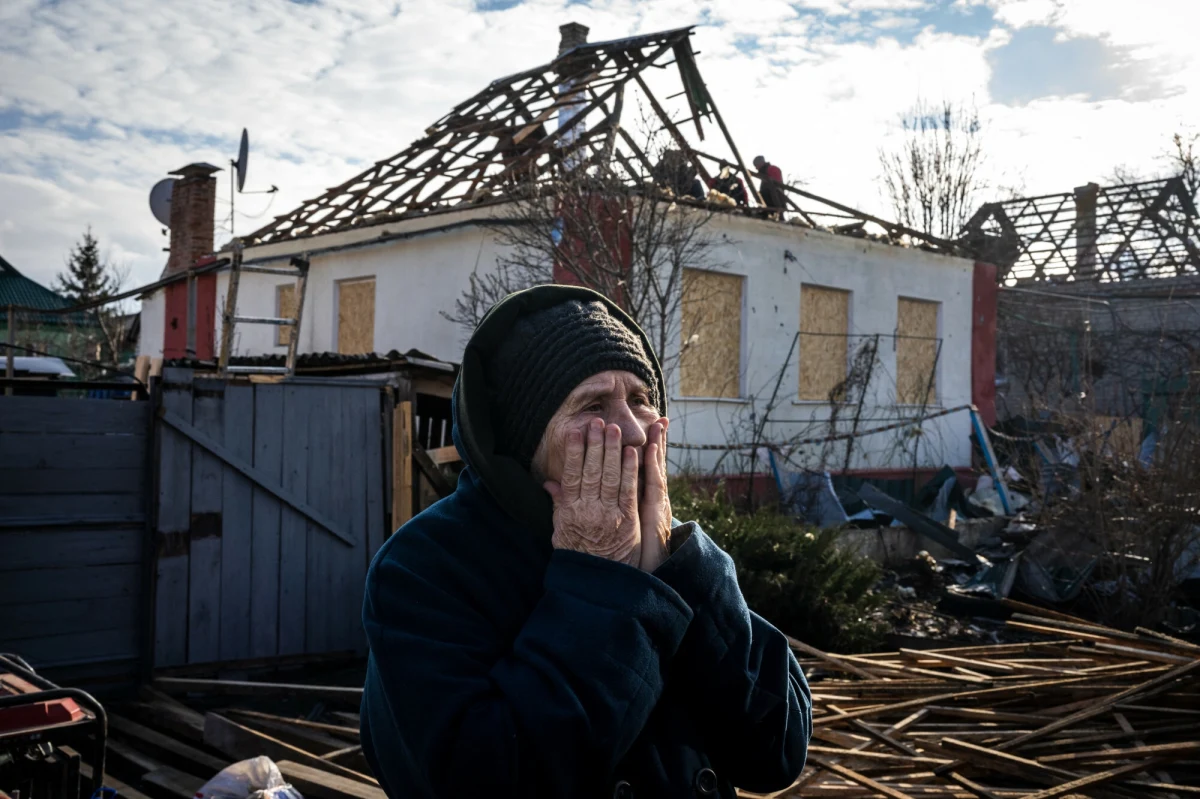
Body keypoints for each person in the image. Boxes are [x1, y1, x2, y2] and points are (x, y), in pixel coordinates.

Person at [360, 285, 812, 799]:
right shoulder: (424, 568)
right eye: (593, 405)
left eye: (640, 400)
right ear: (523, 444)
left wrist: (681, 567)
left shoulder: (662, 542)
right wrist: (602, 579)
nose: (634, 432)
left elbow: (776, 755)